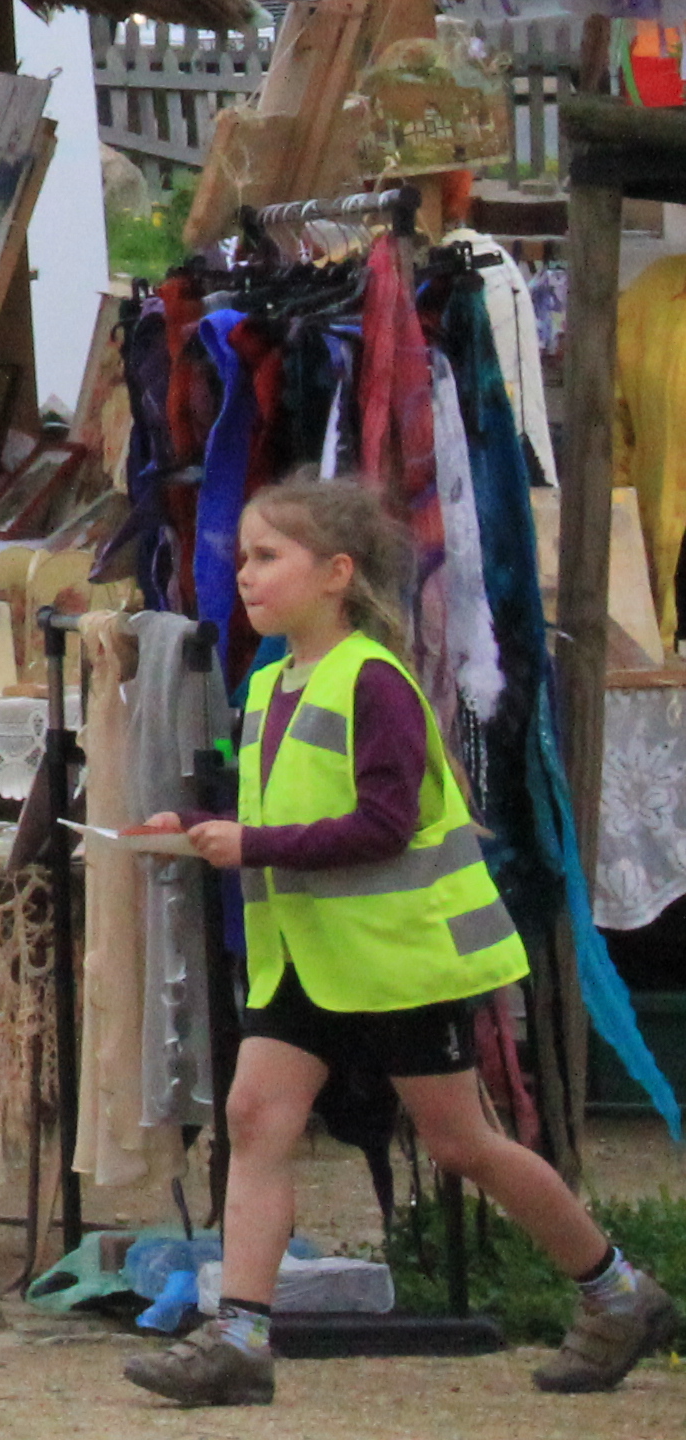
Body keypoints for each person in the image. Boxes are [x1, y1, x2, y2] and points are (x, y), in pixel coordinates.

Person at [120, 477, 673, 1405]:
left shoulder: (375, 680)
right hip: (308, 954)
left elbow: (379, 825)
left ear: (337, 574)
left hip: (398, 959)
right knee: (257, 1119)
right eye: (243, 557)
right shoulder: (273, 681)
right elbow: (283, 807)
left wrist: (246, 844)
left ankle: (619, 1292)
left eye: (267, 557)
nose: (245, 576)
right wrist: (201, 822)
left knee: (463, 1144)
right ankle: (240, 1340)